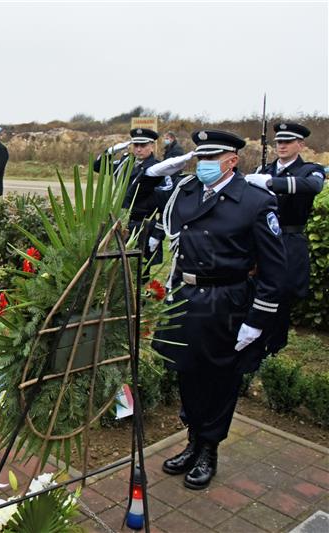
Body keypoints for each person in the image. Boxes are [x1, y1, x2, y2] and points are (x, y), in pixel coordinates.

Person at [153, 130, 286, 490]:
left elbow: (275, 271)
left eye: (211, 160)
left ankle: (209, 448)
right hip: (187, 296)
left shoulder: (255, 202)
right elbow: (149, 210)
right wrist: (153, 174)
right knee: (187, 372)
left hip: (227, 301)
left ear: (232, 160)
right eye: (200, 159)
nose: (204, 166)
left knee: (220, 378)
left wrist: (257, 321)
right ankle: (193, 440)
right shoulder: (187, 191)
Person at [245, 122, 325, 355]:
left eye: (288, 142)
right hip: (260, 241)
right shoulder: (264, 170)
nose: (281, 145)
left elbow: (314, 186)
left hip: (288, 240)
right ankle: (253, 346)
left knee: (281, 298)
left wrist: (271, 183)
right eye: (279, 141)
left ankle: (274, 349)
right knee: (254, 292)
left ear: (300, 145)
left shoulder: (310, 169)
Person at [95, 128, 162, 271]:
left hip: (142, 225)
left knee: (139, 273)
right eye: (135, 145)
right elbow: (98, 166)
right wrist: (111, 151)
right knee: (115, 268)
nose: (138, 149)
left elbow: (165, 204)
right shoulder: (126, 162)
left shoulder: (157, 168)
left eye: (143, 146)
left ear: (152, 146)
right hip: (121, 222)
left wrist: (157, 234)